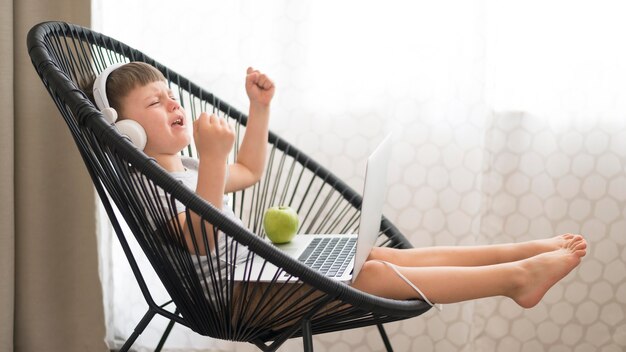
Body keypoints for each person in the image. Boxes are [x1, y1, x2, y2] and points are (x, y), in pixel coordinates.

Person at [86, 62, 587, 310]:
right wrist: (214, 160)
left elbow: (251, 171)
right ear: (125, 131)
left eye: (171, 97)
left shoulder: (188, 166)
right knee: (364, 277)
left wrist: (258, 110)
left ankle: (516, 254)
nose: (174, 107)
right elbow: (199, 237)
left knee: (381, 258)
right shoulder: (148, 182)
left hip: (262, 268)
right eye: (154, 105)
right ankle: (514, 280)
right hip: (233, 296)